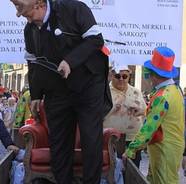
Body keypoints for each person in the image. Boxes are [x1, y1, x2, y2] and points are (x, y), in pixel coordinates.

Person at [10, 0, 112, 183]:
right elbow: (33, 64)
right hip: (56, 91)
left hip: (87, 86)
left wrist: (69, 61)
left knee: (90, 139)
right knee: (59, 144)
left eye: (20, 8)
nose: (18, 14)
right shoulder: (29, 30)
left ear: (38, 3)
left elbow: (96, 40)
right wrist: (35, 95)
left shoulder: (74, 9)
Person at [123, 47, 185, 184]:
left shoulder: (162, 96)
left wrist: (131, 150)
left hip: (164, 149)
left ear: (154, 74)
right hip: (170, 148)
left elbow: (148, 129)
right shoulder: (175, 90)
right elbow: (166, 116)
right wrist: (144, 112)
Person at [103, 65, 146, 168]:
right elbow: (96, 115)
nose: (121, 79)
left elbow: (145, 111)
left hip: (133, 140)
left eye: (124, 76)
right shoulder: (104, 92)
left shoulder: (136, 92)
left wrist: (140, 111)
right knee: (112, 172)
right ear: (111, 75)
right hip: (111, 140)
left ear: (129, 76)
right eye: (118, 76)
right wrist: (113, 109)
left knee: (132, 172)